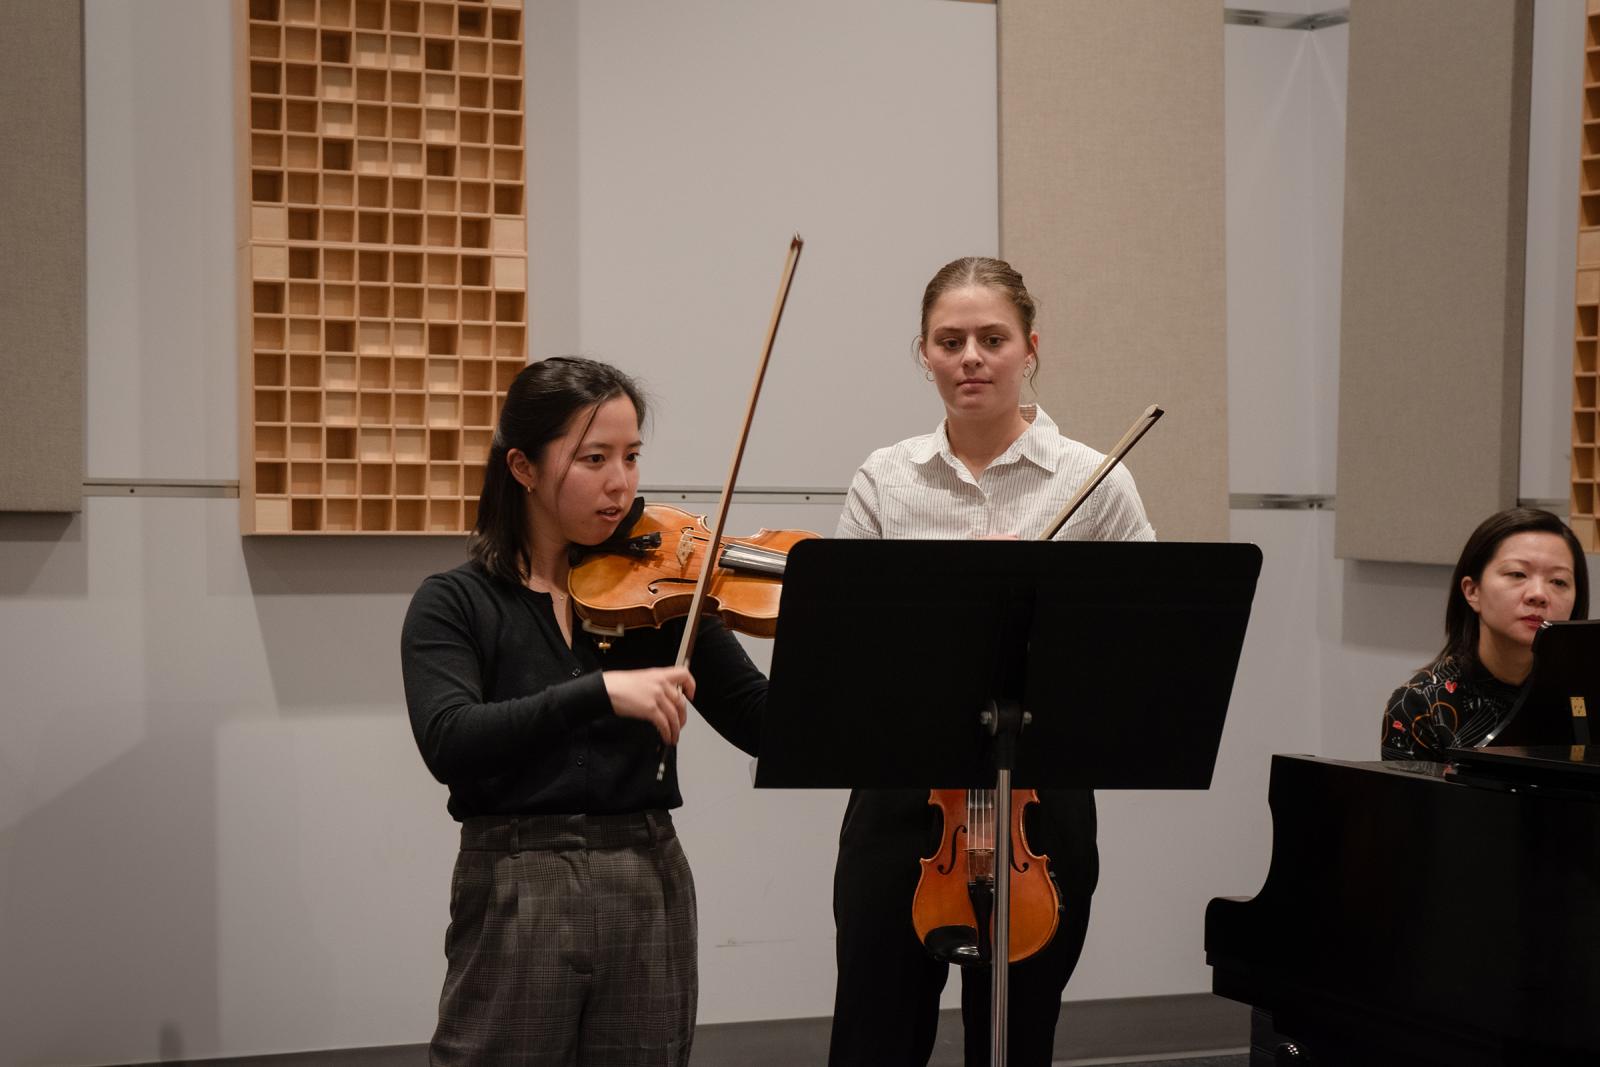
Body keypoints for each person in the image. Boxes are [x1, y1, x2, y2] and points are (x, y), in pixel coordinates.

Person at [827, 256, 1155, 1067]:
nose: (970, 357)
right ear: (925, 354)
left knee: (1017, 1043)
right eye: (950, 341)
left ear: (1030, 347)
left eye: (992, 338)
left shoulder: (1095, 480)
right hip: (904, 797)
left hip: (1039, 800)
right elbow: (847, 646)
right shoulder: (884, 479)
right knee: (873, 1036)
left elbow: (1141, 642)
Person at [400, 356, 766, 1066]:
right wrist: (598, 692)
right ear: (523, 467)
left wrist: (835, 639)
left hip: (646, 873)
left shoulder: (663, 593)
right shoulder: (456, 602)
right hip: (516, 880)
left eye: (631, 456)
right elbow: (450, 739)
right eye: (594, 458)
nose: (621, 482)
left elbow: (760, 720)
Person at [1381, 507, 1589, 760]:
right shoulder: (1421, 705)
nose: (1539, 594)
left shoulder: (1587, 693)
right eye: (1517, 574)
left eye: (1558, 581)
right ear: (1472, 591)